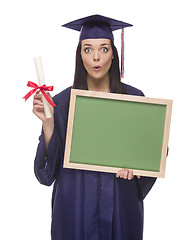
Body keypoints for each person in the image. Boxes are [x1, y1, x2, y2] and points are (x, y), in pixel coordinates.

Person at [33, 15, 156, 240]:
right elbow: (47, 174)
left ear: (114, 54)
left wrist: (136, 171)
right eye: (88, 50)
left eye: (104, 49)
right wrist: (48, 124)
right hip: (74, 207)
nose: (96, 57)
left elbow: (151, 153)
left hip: (120, 204)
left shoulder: (134, 98)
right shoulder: (61, 102)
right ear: (79, 55)